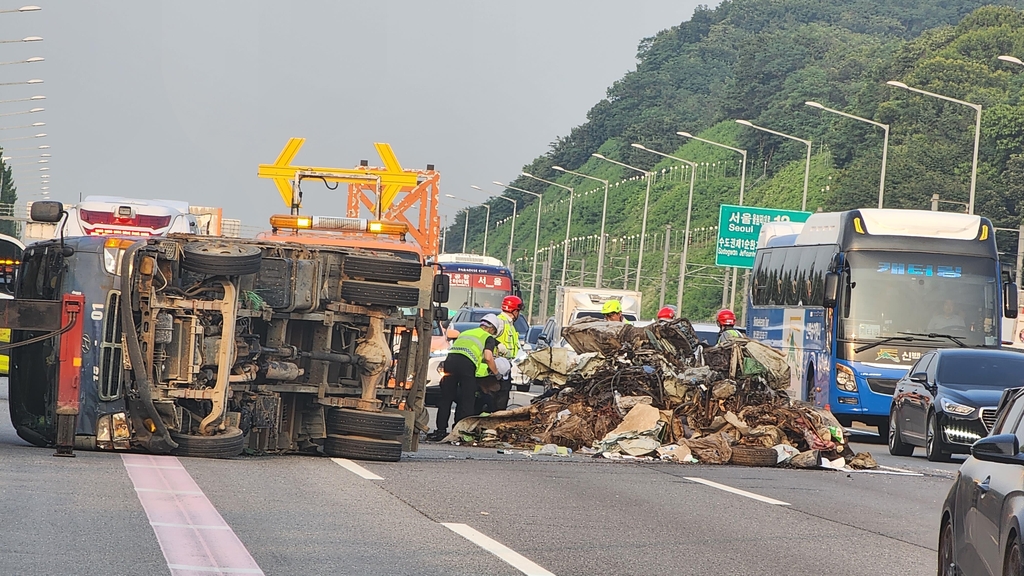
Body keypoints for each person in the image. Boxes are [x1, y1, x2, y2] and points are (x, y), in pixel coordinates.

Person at [428, 313, 502, 441]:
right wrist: (497, 373)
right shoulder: (488, 337)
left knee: (446, 398)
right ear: (492, 329)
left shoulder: (466, 333)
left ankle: (440, 431)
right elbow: (488, 357)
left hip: (450, 362)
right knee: (467, 399)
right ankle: (461, 432)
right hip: (466, 365)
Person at [490, 295, 524, 411]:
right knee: (498, 399)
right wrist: (497, 344)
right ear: (514, 311)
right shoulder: (500, 322)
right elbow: (487, 336)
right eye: (518, 311)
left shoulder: (509, 324)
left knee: (502, 397)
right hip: (497, 365)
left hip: (505, 366)